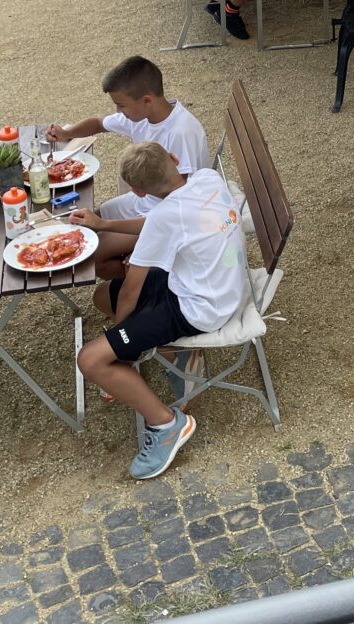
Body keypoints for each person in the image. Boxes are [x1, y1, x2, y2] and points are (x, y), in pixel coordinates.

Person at [76, 142, 245, 480]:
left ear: (137, 191)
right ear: (173, 159)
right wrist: (103, 225)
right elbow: (158, 222)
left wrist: (120, 342)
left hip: (199, 308)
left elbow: (131, 292)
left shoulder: (167, 217)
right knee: (101, 297)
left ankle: (167, 424)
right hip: (218, 286)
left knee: (91, 360)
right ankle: (167, 353)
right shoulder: (207, 178)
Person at [48, 56, 211, 280]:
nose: (118, 110)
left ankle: (152, 277)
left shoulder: (181, 133)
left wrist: (142, 249)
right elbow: (97, 123)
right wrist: (66, 133)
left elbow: (178, 204)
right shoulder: (142, 116)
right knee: (85, 222)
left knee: (93, 254)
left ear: (146, 100)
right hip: (148, 201)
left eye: (121, 105)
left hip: (170, 217)